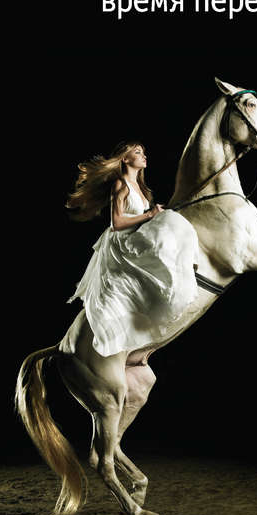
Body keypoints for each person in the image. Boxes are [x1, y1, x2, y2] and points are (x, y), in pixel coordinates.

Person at [66, 141, 200, 357]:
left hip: (136, 234)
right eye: (137, 152)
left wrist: (155, 215)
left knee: (170, 220)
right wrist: (150, 215)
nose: (144, 155)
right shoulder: (121, 184)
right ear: (125, 159)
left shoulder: (141, 187)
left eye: (144, 152)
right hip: (123, 239)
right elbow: (117, 223)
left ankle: (183, 266)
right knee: (169, 222)